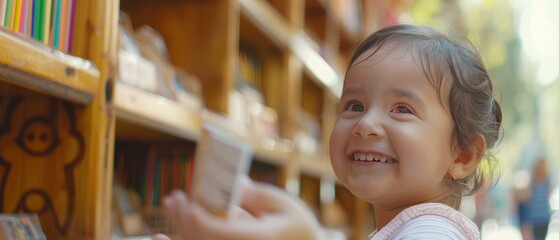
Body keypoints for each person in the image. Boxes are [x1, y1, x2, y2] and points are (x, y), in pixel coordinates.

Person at [155, 23, 502, 240]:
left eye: (402, 109)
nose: (366, 124)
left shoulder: (433, 232)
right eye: (354, 106)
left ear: (463, 155)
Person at [525, 157, 552, 240]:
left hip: (543, 217)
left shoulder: (547, 181)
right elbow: (528, 197)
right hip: (535, 217)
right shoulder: (532, 181)